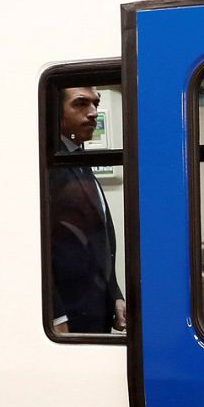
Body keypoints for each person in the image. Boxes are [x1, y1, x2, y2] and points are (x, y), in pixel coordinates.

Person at [48, 86, 125, 335]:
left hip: (95, 309)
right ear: (55, 112)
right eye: (81, 104)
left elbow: (96, 241)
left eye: (96, 104)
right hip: (67, 318)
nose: (93, 113)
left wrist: (115, 294)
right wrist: (54, 314)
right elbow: (38, 248)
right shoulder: (48, 166)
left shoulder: (77, 160)